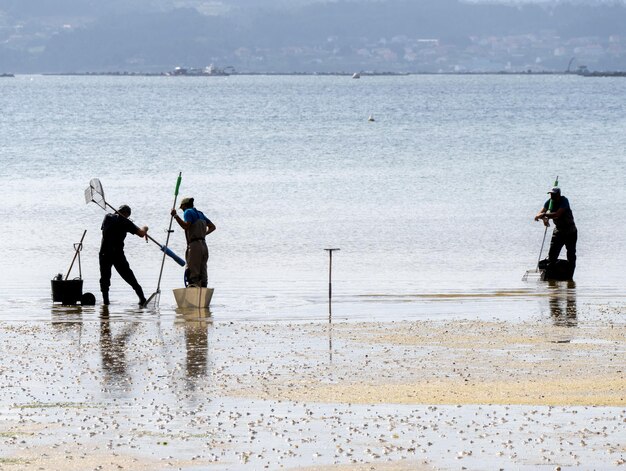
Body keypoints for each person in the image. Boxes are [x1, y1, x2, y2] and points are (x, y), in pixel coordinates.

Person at [99, 204, 149, 306]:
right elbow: (141, 233)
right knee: (129, 276)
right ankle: (142, 298)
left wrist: (127, 222)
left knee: (105, 278)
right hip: (117, 254)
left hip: (104, 253)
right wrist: (145, 227)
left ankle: (105, 303)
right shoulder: (126, 222)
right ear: (126, 214)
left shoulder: (107, 217)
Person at [171, 197, 216, 288]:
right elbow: (212, 227)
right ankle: (203, 290)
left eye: (182, 207)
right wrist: (203, 234)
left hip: (195, 245)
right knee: (203, 270)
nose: (182, 210)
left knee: (193, 272)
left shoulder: (188, 212)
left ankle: (193, 292)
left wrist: (175, 216)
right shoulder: (200, 213)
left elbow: (186, 226)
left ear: (185, 205)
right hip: (204, 245)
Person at [534, 187, 577, 277]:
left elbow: (557, 214)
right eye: (550, 194)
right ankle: (550, 277)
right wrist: (543, 219)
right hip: (558, 231)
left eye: (553, 194)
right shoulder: (549, 202)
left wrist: (545, 215)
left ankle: (569, 277)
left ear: (558, 194)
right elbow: (538, 214)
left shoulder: (564, 201)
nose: (552, 196)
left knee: (571, 255)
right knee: (552, 255)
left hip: (570, 231)